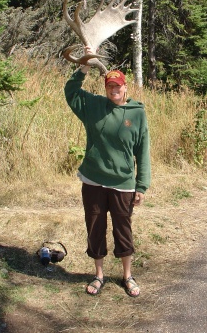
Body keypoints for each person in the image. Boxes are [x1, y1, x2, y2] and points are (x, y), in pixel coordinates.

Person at [64, 48, 151, 297]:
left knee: (123, 228)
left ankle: (127, 275)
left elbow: (143, 151)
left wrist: (142, 185)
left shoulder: (137, 113)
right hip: (93, 179)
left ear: (126, 87)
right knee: (95, 226)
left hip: (123, 182)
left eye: (118, 86)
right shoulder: (94, 106)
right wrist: (84, 67)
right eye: (110, 86)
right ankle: (99, 275)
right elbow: (70, 92)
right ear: (106, 88)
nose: (114, 90)